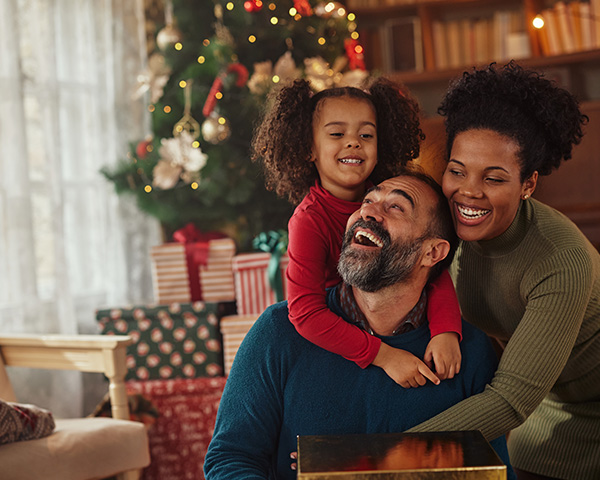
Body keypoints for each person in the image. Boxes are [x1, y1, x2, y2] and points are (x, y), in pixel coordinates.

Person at [204, 172, 515, 480]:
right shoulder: (277, 332)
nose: (368, 211)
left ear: (432, 252)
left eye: (396, 208)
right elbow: (230, 458)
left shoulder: (469, 352)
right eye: (368, 200)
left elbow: (494, 472)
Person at [406, 62, 600, 480]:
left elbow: (512, 398)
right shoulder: (447, 230)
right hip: (543, 406)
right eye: (457, 171)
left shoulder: (559, 259)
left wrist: (387, 453)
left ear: (527, 184)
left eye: (493, 178)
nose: (468, 192)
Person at [251, 77, 462, 387]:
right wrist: (384, 356)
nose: (353, 142)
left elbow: (431, 264)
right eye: (337, 133)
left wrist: (446, 330)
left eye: (366, 134)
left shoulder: (394, 194)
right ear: (309, 147)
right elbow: (305, 312)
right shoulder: (308, 220)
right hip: (342, 333)